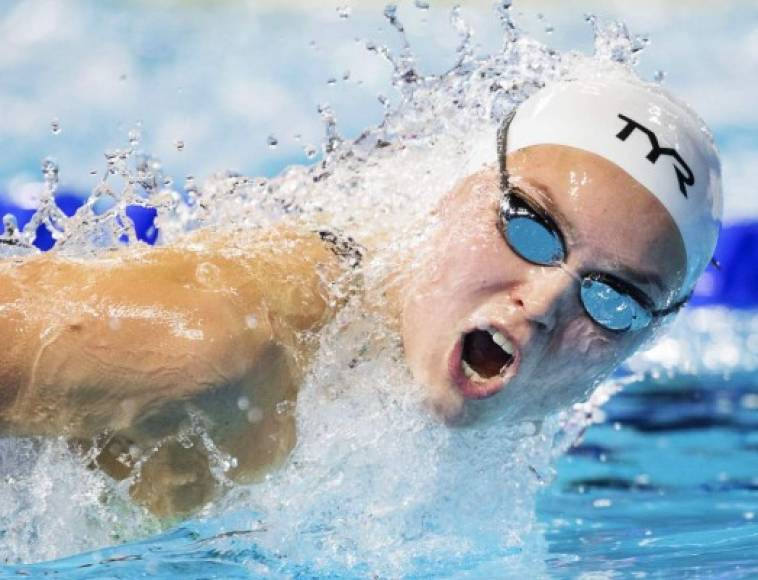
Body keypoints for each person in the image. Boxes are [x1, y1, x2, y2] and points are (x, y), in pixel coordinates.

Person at [0, 75, 722, 517]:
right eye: (531, 227)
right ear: (457, 188)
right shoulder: (221, 345)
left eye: (615, 298)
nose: (542, 302)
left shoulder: (410, 415)